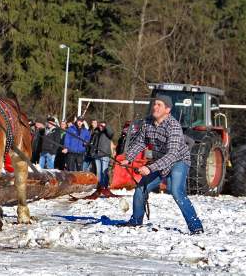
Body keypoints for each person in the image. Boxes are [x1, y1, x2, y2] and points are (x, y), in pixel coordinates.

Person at [119, 95, 204, 235]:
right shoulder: (147, 122)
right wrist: (129, 158)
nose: (155, 107)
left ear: (168, 109)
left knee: (176, 191)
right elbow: (141, 142)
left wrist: (149, 168)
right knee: (141, 188)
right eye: (154, 104)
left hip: (178, 161)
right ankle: (135, 221)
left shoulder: (173, 126)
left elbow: (172, 155)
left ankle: (196, 227)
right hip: (160, 161)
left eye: (159, 105)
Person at [86, 121, 115, 198]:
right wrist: (92, 153)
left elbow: (111, 133)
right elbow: (93, 143)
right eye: (100, 125)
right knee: (98, 172)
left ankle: (105, 187)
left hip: (105, 154)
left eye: (103, 126)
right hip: (97, 155)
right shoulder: (96, 133)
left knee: (104, 171)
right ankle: (100, 187)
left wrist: (106, 126)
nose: (101, 127)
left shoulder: (107, 133)